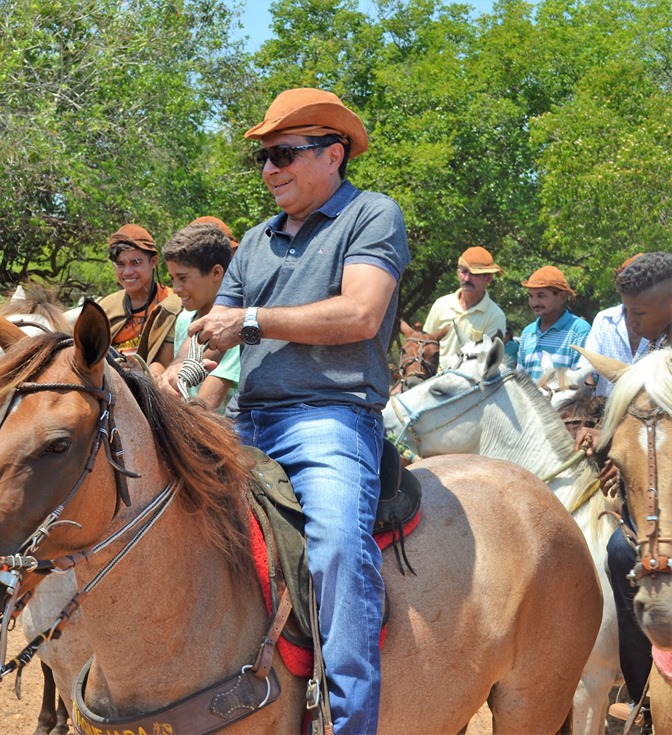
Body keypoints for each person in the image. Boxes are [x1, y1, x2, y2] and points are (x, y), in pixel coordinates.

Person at [167, 87, 410, 733]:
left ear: (333, 154)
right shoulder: (253, 240)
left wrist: (249, 319)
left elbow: (359, 314)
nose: (270, 169)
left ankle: (349, 719)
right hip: (248, 419)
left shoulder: (371, 216)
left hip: (331, 417)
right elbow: (215, 342)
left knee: (334, 546)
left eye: (283, 153)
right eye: (263, 159)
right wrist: (173, 389)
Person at [574, 251, 672, 729]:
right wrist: (624, 460)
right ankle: (643, 693)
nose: (630, 323)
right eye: (627, 312)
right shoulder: (656, 346)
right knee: (619, 550)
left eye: (638, 313)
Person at [156, 220, 239, 412]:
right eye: (172, 279)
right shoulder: (185, 318)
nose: (175, 289)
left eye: (183, 278)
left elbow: (207, 406)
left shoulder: (234, 327)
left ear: (216, 272)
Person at [96, 223, 181, 376]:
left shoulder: (175, 303)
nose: (127, 272)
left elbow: (166, 362)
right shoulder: (105, 307)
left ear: (153, 262)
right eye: (120, 264)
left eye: (136, 263)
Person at [577, 253, 649, 397]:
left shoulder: (666, 323)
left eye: (642, 283)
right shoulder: (604, 319)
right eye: (628, 283)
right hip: (606, 410)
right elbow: (586, 365)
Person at [422, 246, 506, 368]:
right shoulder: (441, 304)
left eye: (474, 274)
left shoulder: (495, 315)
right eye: (464, 272)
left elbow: (486, 361)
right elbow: (425, 344)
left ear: (488, 279)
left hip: (468, 383)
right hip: (435, 379)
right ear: (458, 273)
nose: (467, 278)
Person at [516, 265, 591, 380]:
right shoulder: (527, 332)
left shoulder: (579, 330)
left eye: (541, 295)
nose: (534, 302)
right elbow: (520, 381)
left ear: (562, 297)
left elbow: (583, 380)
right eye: (530, 296)